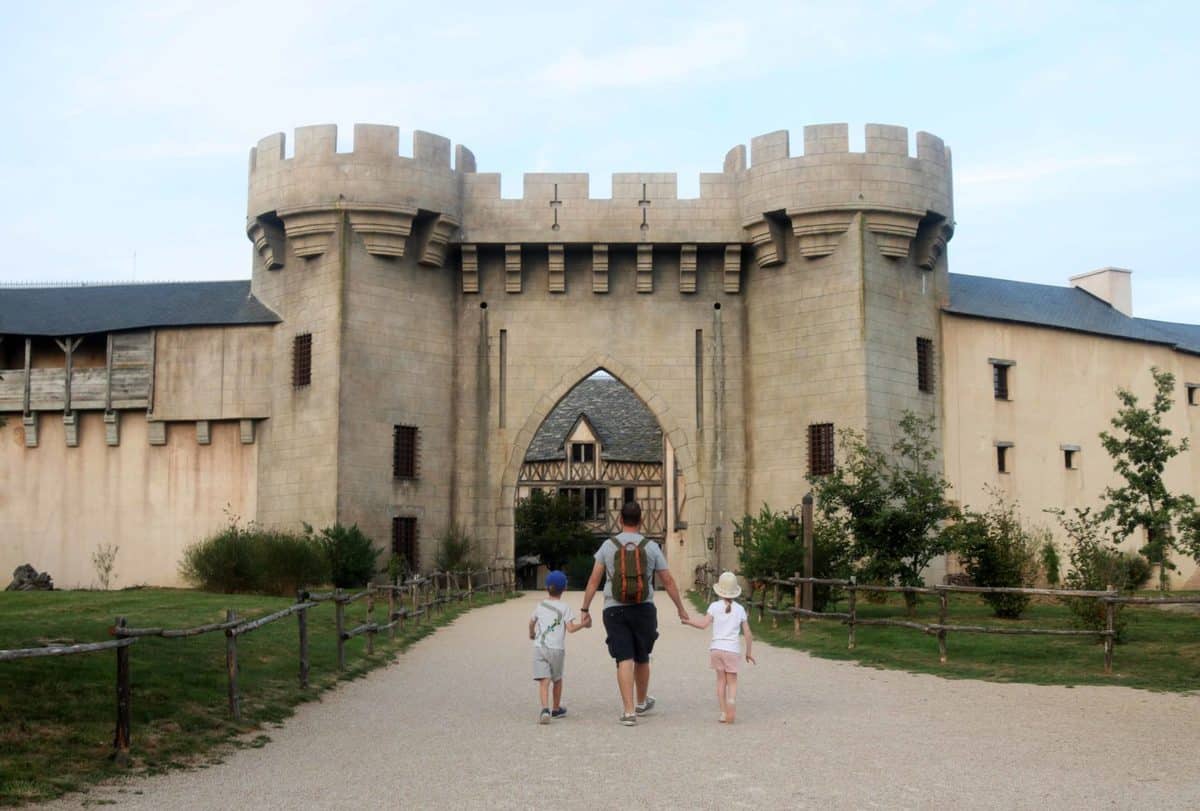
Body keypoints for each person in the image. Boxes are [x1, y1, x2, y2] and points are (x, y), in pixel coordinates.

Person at [580, 501, 689, 726]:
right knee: (642, 657)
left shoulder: (608, 546)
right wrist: (680, 608)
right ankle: (641, 702)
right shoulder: (651, 547)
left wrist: (585, 609)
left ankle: (629, 712)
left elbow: (593, 580)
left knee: (624, 659)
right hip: (644, 608)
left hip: (614, 609)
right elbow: (667, 580)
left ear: (620, 520)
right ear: (641, 521)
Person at [684, 571, 755, 724]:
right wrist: (748, 652)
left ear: (720, 590)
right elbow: (748, 634)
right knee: (732, 681)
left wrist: (688, 621)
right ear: (735, 591)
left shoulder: (714, 606)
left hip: (716, 649)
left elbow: (703, 625)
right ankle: (731, 702)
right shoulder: (740, 609)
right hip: (732, 650)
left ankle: (723, 712)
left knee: (721, 680)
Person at [529, 570, 589, 724]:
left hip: (539, 648)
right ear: (565, 588)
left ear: (546, 587)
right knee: (557, 679)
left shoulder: (540, 605)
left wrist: (531, 634)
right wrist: (584, 624)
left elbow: (531, 622)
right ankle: (556, 708)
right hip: (557, 650)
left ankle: (544, 709)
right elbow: (570, 629)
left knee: (544, 680)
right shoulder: (565, 607)